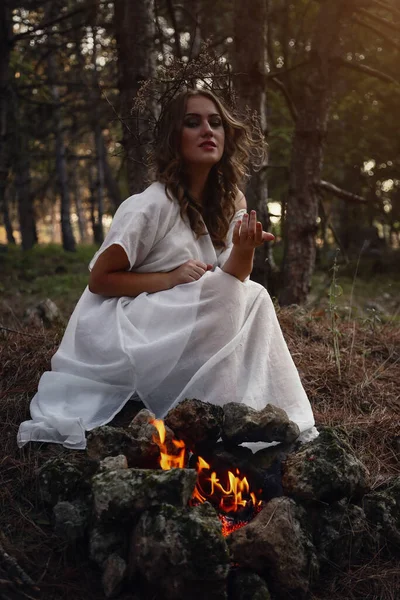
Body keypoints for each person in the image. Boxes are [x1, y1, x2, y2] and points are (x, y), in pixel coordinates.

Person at [17, 89, 317, 450]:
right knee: (225, 291)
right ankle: (216, 414)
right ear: (175, 138)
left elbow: (234, 279)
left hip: (174, 319)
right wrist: (169, 278)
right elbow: (99, 282)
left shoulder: (230, 199)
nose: (207, 130)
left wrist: (243, 247)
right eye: (193, 123)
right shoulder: (150, 205)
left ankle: (260, 415)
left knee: (254, 295)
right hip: (120, 325)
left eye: (215, 122)